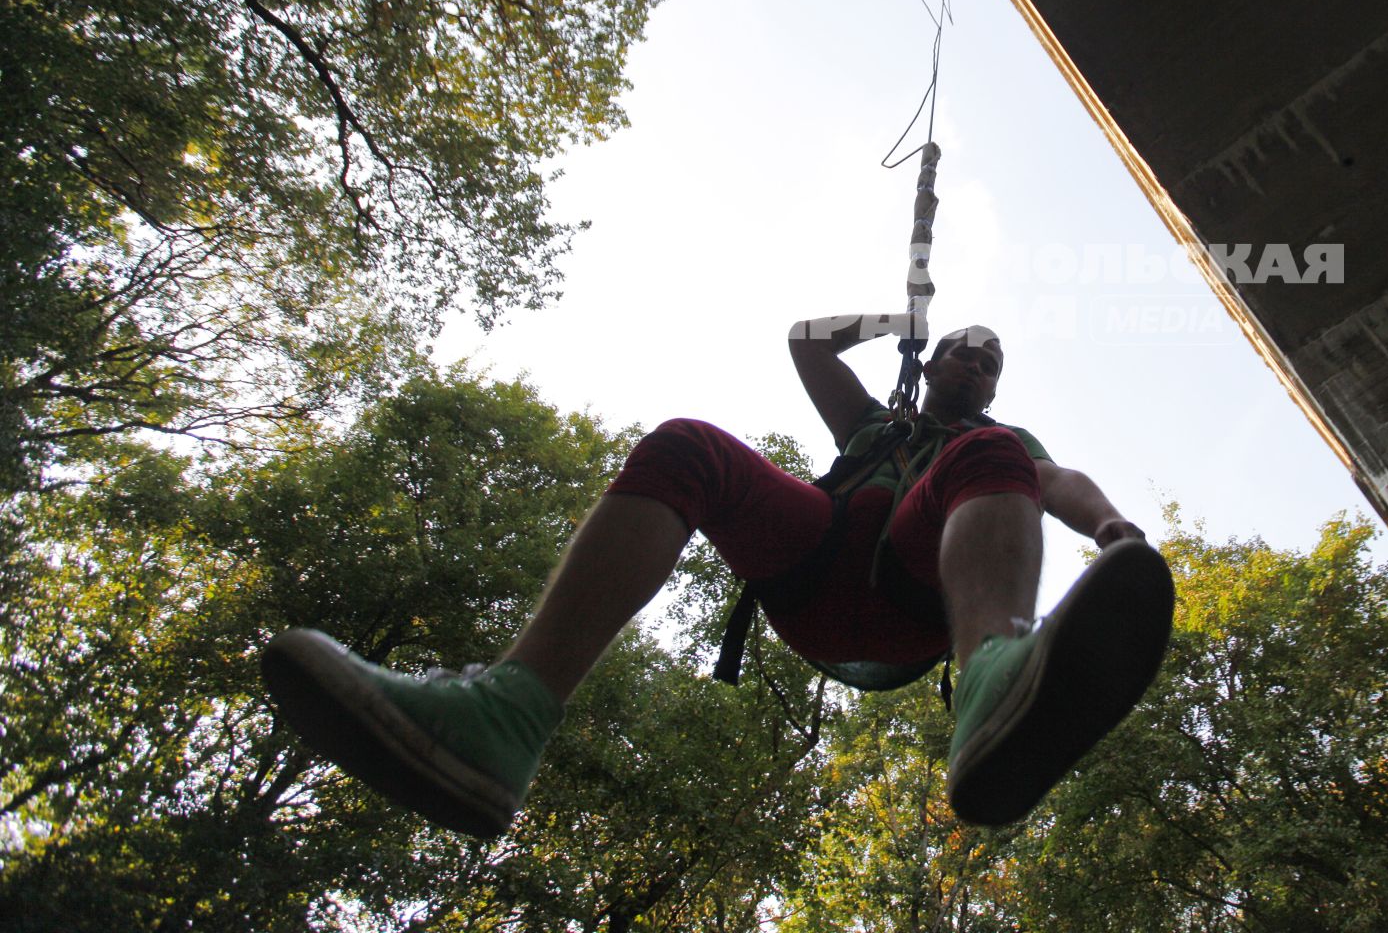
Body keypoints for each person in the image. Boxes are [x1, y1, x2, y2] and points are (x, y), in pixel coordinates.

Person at [263, 317, 1174, 836]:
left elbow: (1054, 480)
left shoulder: (992, 446)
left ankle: (994, 687)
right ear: (932, 363)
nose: (976, 362)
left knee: (994, 455)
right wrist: (893, 321)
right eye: (964, 350)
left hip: (913, 600)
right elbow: (806, 343)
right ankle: (505, 715)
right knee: (688, 445)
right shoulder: (870, 423)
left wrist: (1113, 531)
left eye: (992, 360)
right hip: (810, 579)